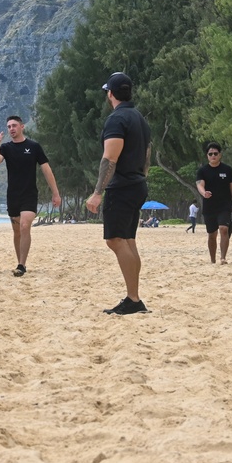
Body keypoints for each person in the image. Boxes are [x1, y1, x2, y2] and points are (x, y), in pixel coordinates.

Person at [86, 72, 152, 315]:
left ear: (110, 94)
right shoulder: (140, 119)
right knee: (129, 241)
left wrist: (97, 192)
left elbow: (109, 158)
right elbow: (147, 155)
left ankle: (133, 298)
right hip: (137, 184)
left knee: (114, 240)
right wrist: (140, 178)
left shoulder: (117, 119)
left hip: (122, 186)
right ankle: (134, 297)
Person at [0, 115, 61, 277]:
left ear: (22, 127)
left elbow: (46, 170)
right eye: (9, 126)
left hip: (29, 195)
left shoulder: (34, 146)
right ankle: (20, 262)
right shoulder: (6, 148)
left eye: (14, 125)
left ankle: (22, 264)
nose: (11, 129)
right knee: (17, 232)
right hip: (13, 195)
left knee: (24, 226)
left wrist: (56, 193)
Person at [196, 142, 232, 265]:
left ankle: (223, 258)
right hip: (209, 207)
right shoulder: (202, 170)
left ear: (220, 155)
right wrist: (204, 193)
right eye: (210, 154)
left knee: (224, 229)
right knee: (211, 235)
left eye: (215, 153)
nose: (213, 156)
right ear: (207, 156)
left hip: (224, 206)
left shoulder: (227, 170)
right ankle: (213, 259)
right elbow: (199, 184)